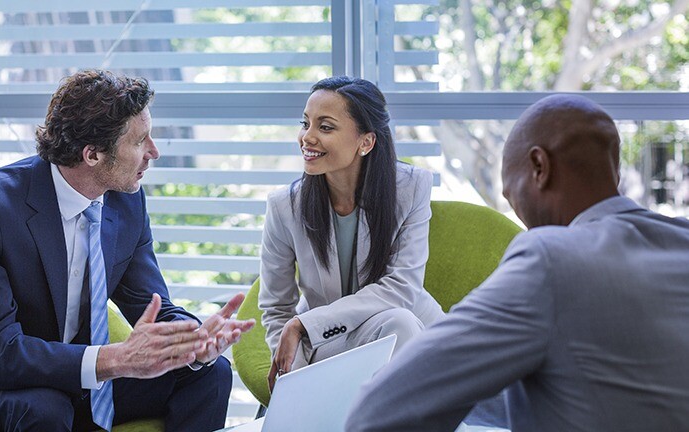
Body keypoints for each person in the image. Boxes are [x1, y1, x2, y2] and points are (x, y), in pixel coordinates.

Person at [0, 69, 255, 432]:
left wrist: (193, 342)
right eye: (139, 142)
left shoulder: (125, 201)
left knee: (209, 375)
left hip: (72, 374)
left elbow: (151, 305)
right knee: (44, 409)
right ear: (93, 154)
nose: (154, 152)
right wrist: (113, 360)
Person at [346, 94, 689, 431]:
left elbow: (377, 413)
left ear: (540, 167)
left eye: (512, 193)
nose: (520, 216)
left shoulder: (550, 258)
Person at [259, 76, 445, 391]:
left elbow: (400, 289)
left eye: (325, 127)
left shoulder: (412, 189)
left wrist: (305, 323)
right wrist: (294, 376)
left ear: (366, 142)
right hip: (331, 344)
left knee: (399, 323)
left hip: (409, 334)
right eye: (305, 123)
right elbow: (277, 307)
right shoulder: (283, 207)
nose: (308, 137)